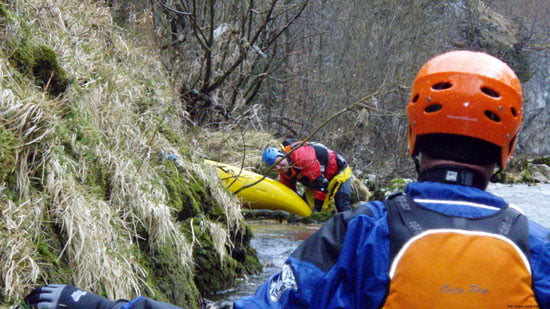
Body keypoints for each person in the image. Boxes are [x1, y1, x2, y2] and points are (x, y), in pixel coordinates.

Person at [25, 50, 550, 308]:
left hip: (337, 198)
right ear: (507, 150)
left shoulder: (359, 233)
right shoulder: (540, 249)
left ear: (413, 137)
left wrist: (94, 305)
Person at [262, 139, 353, 213]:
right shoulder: (285, 172)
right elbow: (290, 194)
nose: (279, 167)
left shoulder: (303, 158)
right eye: (274, 167)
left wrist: (317, 211)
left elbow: (322, 184)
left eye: (279, 162)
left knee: (342, 206)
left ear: (284, 155)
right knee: (308, 210)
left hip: (338, 172)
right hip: (315, 181)